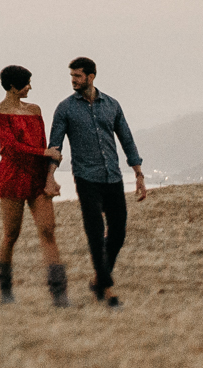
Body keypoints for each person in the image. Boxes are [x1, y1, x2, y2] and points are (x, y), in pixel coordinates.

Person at [44, 56, 146, 308]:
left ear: (91, 77)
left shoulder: (112, 105)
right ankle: (108, 288)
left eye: (77, 76)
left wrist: (139, 174)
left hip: (112, 176)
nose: (73, 81)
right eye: (71, 77)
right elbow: (55, 145)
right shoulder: (65, 108)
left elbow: (127, 140)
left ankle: (99, 279)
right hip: (86, 177)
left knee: (119, 231)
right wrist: (50, 175)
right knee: (95, 233)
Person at [0, 65, 67, 305]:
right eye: (26, 83)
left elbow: (43, 143)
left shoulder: (35, 110)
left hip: (36, 176)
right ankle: (5, 288)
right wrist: (42, 152)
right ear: (13, 86)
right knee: (11, 234)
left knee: (48, 230)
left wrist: (49, 177)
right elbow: (9, 147)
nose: (30, 87)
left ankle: (59, 293)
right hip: (12, 176)